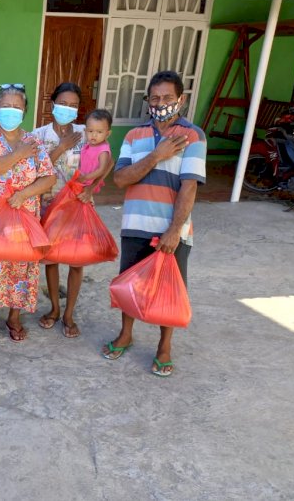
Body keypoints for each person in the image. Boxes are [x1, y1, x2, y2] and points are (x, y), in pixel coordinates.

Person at [101, 70, 206, 377]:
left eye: (168, 98)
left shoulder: (193, 136)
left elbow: (189, 187)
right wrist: (157, 156)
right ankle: (126, 334)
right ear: (148, 101)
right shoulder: (135, 136)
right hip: (136, 224)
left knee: (169, 289)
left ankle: (164, 347)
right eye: (155, 98)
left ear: (181, 100)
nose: (161, 103)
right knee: (130, 285)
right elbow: (120, 178)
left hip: (172, 230)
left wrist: (174, 231)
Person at [0, 84, 55, 342]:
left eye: (17, 107)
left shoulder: (34, 141)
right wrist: (18, 154)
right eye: (6, 105)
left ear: (25, 110)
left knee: (21, 263)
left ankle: (14, 317)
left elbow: (48, 178)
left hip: (23, 214)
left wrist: (23, 195)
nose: (11, 111)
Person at [32, 83, 113, 338]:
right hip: (50, 204)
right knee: (52, 259)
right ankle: (55, 308)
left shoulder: (87, 131)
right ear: (52, 103)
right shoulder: (38, 135)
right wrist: (62, 147)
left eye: (74, 105)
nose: (68, 108)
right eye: (63, 103)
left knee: (78, 261)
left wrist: (92, 188)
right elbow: (36, 169)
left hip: (79, 204)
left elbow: (107, 161)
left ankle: (69, 314)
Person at [77, 109, 113, 199]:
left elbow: (102, 169)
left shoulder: (103, 150)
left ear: (107, 134)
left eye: (99, 132)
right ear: (85, 131)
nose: (94, 135)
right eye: (90, 131)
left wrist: (85, 177)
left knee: (83, 201)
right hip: (82, 180)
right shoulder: (89, 144)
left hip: (89, 182)